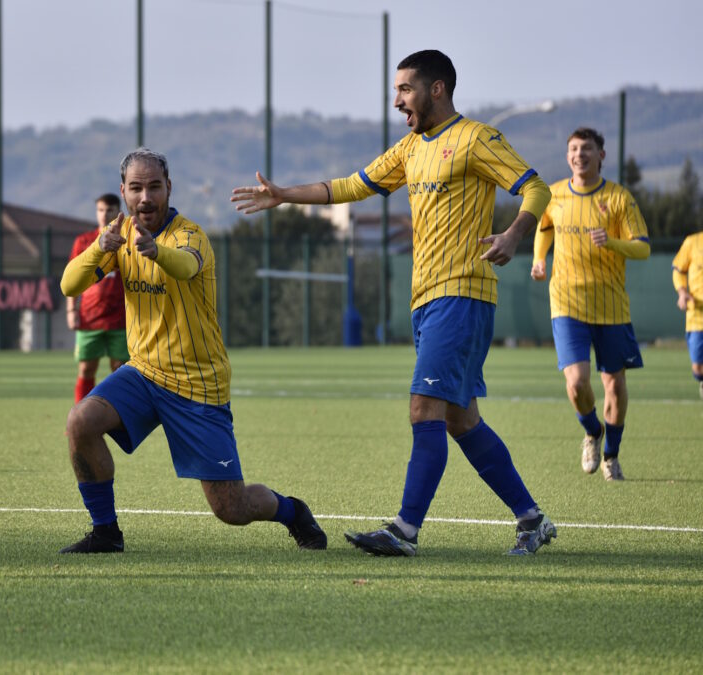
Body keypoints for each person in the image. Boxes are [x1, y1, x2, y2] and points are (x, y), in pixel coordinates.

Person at [232, 50, 557, 557]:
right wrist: (285, 195)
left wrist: (515, 233)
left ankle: (404, 530)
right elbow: (352, 185)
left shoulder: (476, 138)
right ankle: (532, 519)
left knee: (424, 407)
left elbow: (535, 187)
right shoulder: (409, 148)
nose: (397, 101)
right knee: (460, 420)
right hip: (426, 300)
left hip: (462, 292)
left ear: (436, 89)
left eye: (405, 89)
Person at [59, 148, 327, 553]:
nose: (145, 197)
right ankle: (106, 533)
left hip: (197, 385)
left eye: (154, 187)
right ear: (123, 191)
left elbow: (185, 266)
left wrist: (156, 251)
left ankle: (293, 511)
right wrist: (100, 247)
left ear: (169, 188)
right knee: (80, 422)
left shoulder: (190, 235)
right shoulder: (119, 238)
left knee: (231, 508)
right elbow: (69, 285)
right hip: (144, 373)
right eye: (136, 188)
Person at [531, 128, 650, 481]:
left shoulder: (619, 198)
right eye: (573, 149)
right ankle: (592, 431)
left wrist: (612, 242)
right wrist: (539, 259)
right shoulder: (554, 194)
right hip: (566, 302)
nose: (579, 154)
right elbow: (544, 227)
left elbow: (643, 247)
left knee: (615, 385)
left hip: (611, 306)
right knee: (577, 383)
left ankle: (611, 455)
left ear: (601, 155)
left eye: (586, 148)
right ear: (567, 156)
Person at [66, 193, 128, 402]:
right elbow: (72, 278)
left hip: (120, 316)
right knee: (86, 368)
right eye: (101, 210)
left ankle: (120, 416)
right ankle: (81, 414)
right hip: (89, 316)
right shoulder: (83, 241)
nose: (104, 214)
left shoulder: (127, 240)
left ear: (118, 212)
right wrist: (71, 310)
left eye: (109, 210)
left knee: (120, 370)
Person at [672, 231, 703, 400]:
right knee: (698, 368)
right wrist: (682, 292)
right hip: (697, 315)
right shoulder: (693, 242)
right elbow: (678, 269)